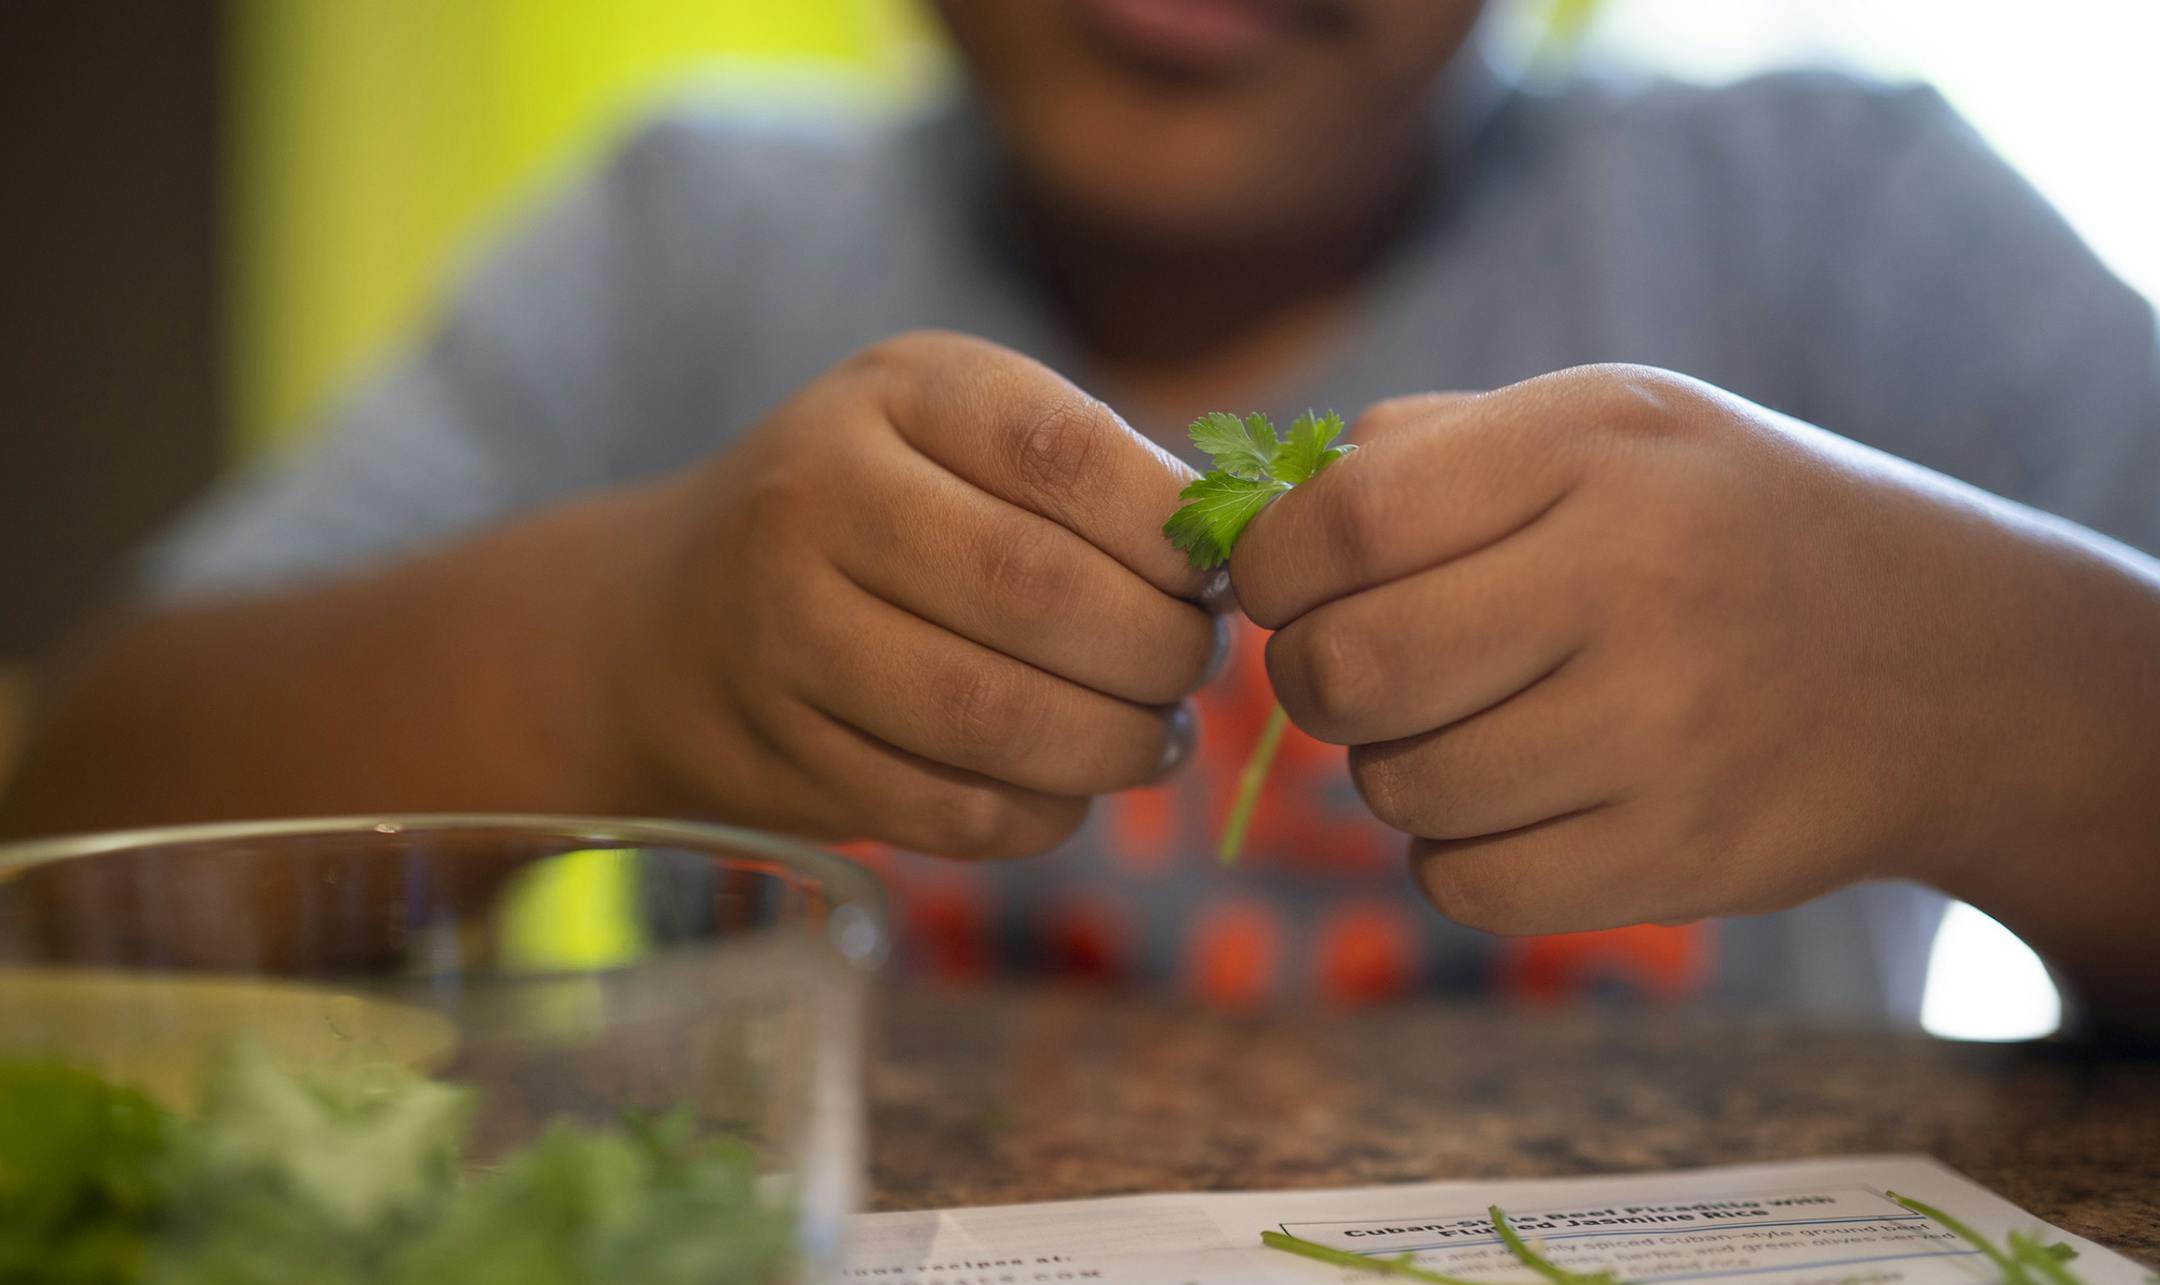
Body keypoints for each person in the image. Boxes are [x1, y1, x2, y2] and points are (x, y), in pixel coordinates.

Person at [5, 0, 2157, 1033]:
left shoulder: (1845, 217)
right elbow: (81, 835)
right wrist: (614, 651)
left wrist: (1990, 701)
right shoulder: (694, 241)